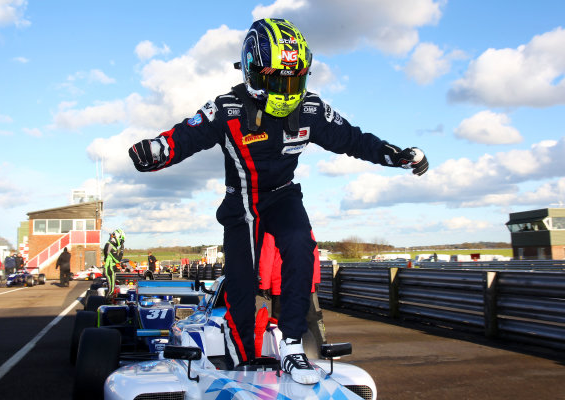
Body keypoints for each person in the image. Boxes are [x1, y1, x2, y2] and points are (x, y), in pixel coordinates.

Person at [128, 18, 428, 384]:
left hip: (283, 195)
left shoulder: (312, 109)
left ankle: (290, 345)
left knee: (302, 244)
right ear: (253, 71)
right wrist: (158, 150)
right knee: (241, 284)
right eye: (277, 80)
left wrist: (395, 155)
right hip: (241, 204)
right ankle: (241, 360)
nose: (288, 90)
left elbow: (354, 139)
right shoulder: (227, 107)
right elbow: (186, 134)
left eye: (295, 80)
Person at [259, 231, 326, 357]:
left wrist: (265, 283)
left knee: (280, 324)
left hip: (282, 283)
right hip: (305, 281)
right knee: (311, 321)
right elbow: (313, 252)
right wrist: (316, 278)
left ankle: (283, 357)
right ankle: (319, 356)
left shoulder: (271, 227)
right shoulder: (303, 225)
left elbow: (267, 254)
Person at [103, 229, 125, 297]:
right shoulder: (110, 246)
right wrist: (121, 251)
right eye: (121, 241)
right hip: (109, 269)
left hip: (111, 268)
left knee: (113, 289)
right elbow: (117, 259)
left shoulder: (111, 245)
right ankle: (108, 303)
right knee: (111, 290)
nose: (121, 243)